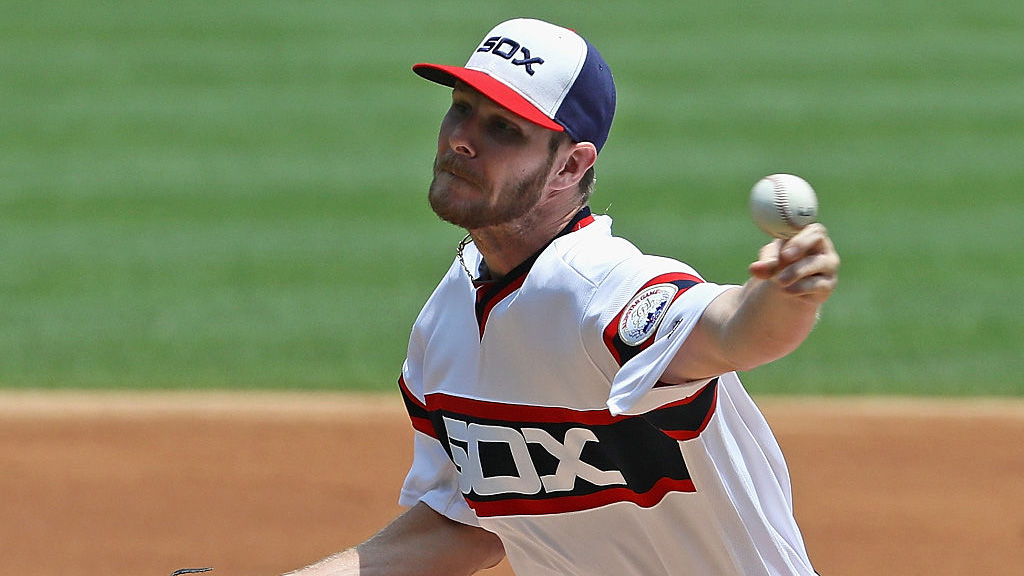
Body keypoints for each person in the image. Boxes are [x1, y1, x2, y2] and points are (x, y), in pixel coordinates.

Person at [286, 17, 839, 576]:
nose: (462, 138)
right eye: (462, 108)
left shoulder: (601, 288)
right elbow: (465, 525)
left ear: (571, 165)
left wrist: (790, 295)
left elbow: (732, 331)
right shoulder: (447, 318)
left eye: (503, 128)